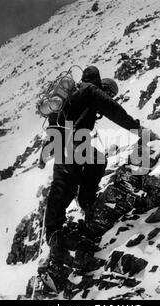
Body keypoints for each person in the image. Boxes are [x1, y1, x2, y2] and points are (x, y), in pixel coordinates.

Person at [43, 66, 142, 264]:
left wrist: (47, 149)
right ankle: (83, 205)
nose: (111, 97)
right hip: (73, 142)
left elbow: (56, 121)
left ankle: (57, 232)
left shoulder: (76, 94)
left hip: (63, 141)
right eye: (111, 94)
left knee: (66, 184)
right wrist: (137, 128)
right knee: (82, 172)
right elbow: (114, 110)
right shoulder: (92, 91)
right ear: (105, 88)